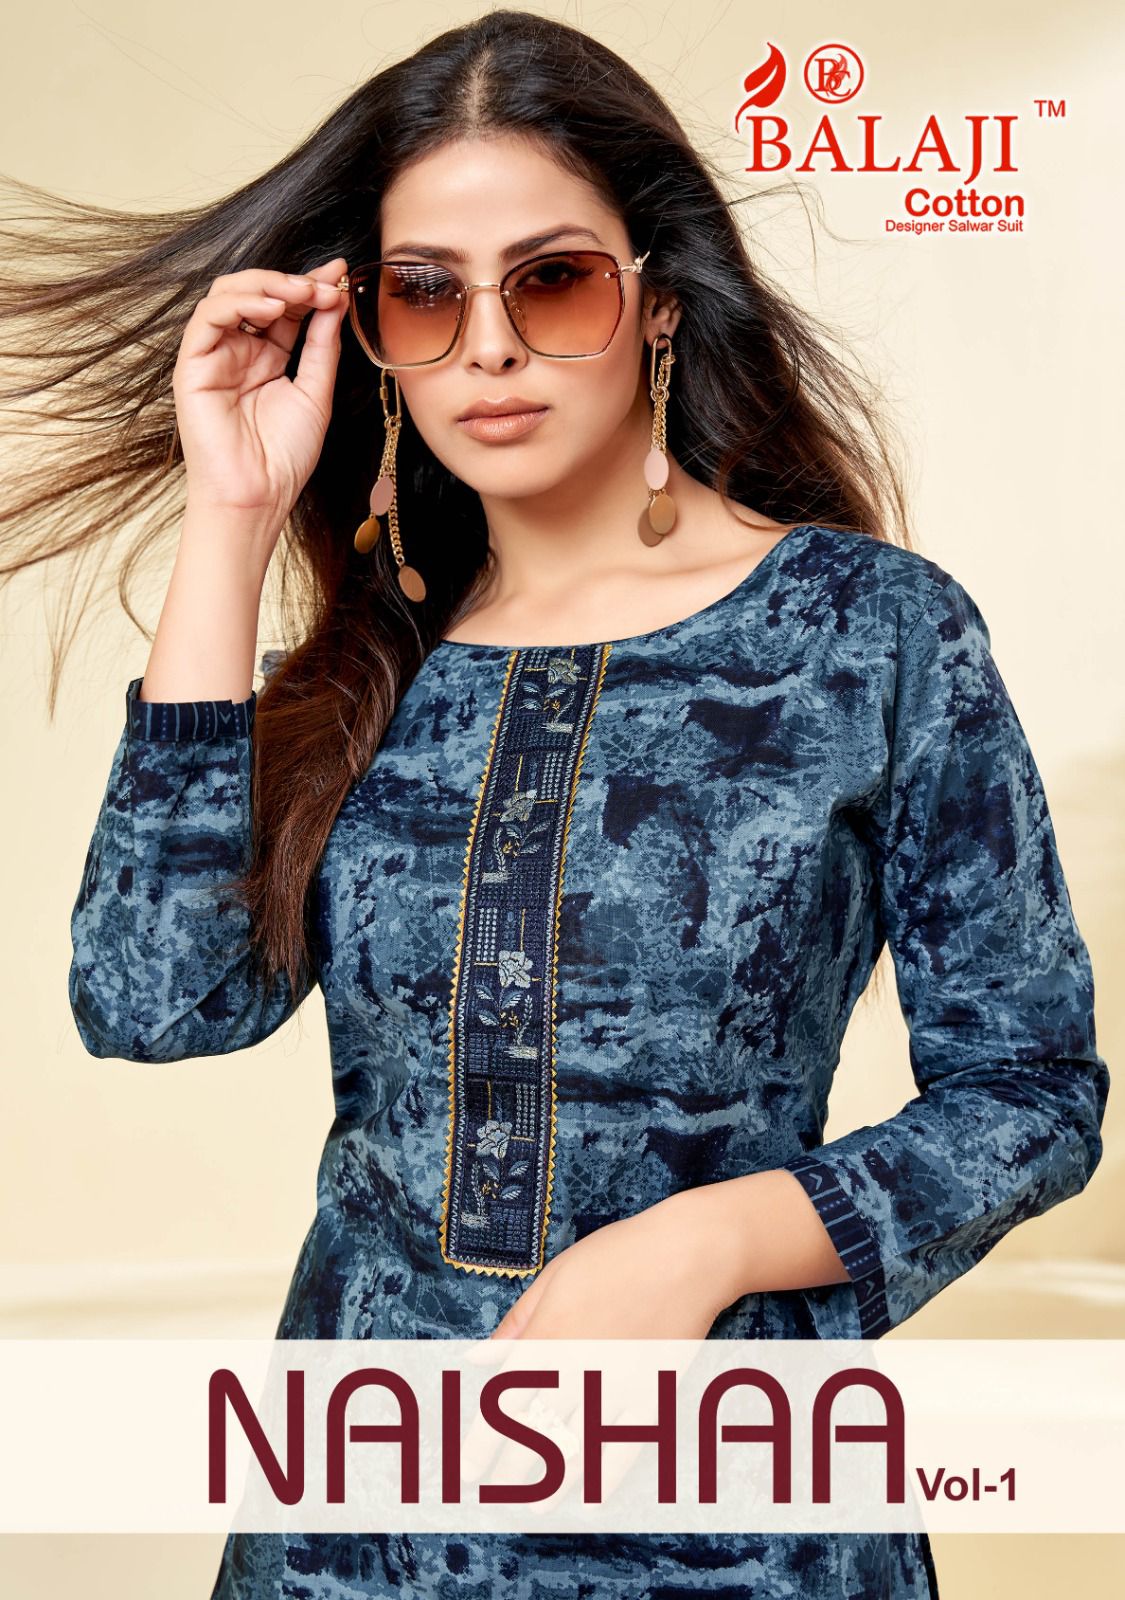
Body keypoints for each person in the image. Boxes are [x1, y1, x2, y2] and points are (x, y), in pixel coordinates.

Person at [3, 10, 1104, 1598]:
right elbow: (148, 1000)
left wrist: (704, 1242)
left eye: (552, 280)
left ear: (657, 302)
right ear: (372, 332)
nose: (490, 347)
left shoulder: (865, 634)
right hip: (356, 1529)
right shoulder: (372, 665)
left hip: (735, 1519)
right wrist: (230, 518)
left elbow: (1028, 1094)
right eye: (425, 294)